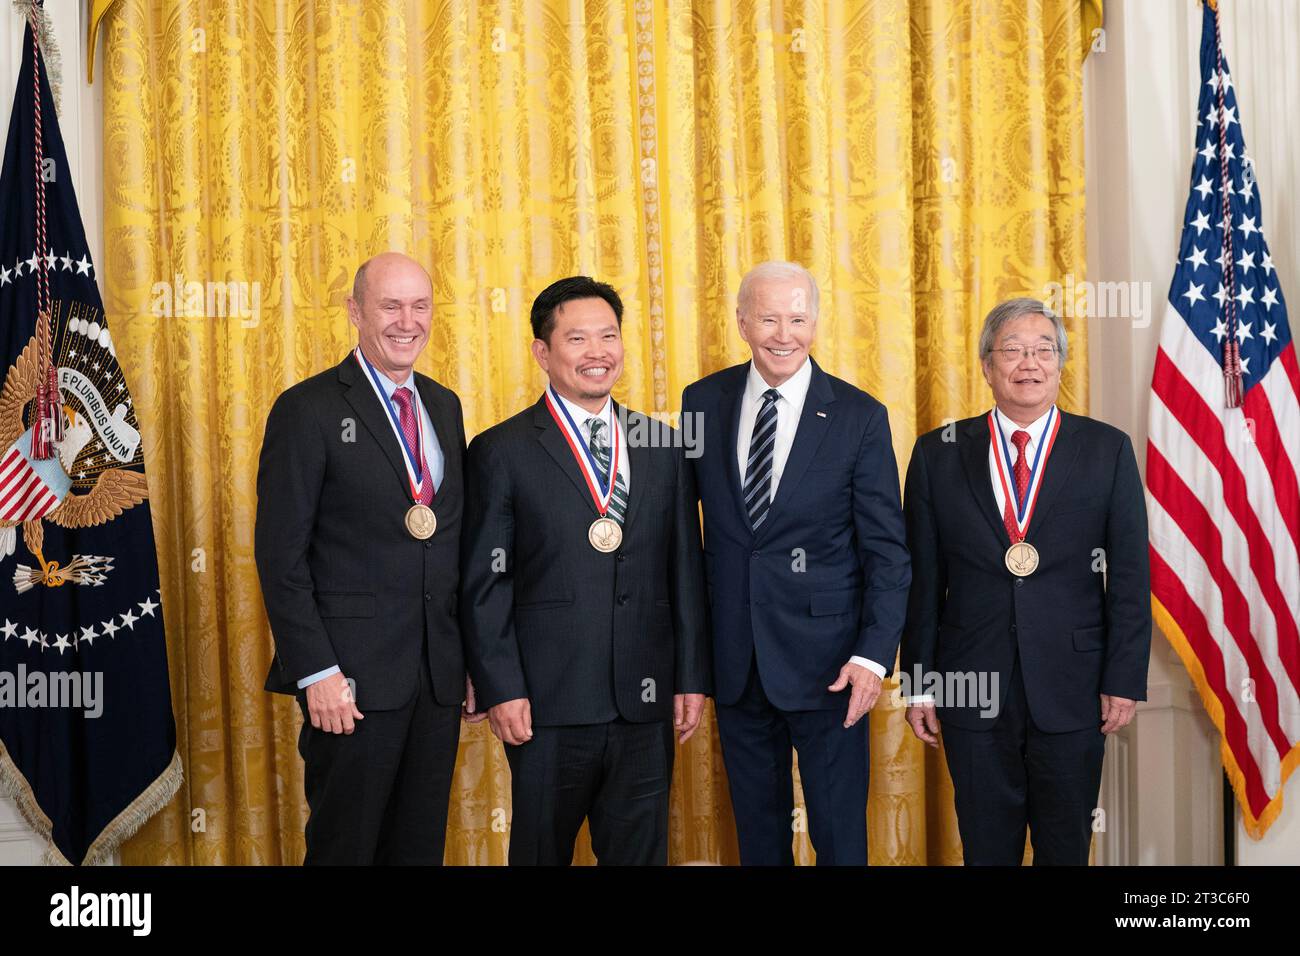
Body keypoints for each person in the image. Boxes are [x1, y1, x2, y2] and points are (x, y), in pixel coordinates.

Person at [460, 276, 710, 865]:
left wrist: (691, 676)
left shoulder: (662, 447)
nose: (598, 352)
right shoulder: (502, 450)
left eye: (609, 336)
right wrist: (502, 686)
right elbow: (484, 583)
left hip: (644, 702)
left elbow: (686, 574)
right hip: (545, 703)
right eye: (577, 338)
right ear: (543, 353)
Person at [900, 297, 1150, 865]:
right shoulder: (937, 454)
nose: (1028, 364)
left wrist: (1123, 676)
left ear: (1060, 364)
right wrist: (917, 681)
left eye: (1042, 350)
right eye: (1011, 351)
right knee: (987, 849)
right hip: (972, 686)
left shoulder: (1105, 449)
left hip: (1075, 686)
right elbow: (921, 580)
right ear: (987, 366)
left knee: (1066, 849)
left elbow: (1132, 574)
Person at [680, 261, 910, 865]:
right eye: (768, 318)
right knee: (759, 841)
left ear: (816, 321)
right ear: (741, 322)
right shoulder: (701, 402)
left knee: (839, 838)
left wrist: (872, 657)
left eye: (798, 318)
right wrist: (689, 661)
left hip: (833, 667)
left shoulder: (860, 416)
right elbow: (683, 537)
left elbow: (887, 550)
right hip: (736, 663)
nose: (784, 334)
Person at [255, 252, 482, 865]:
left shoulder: (444, 405)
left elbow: (450, 542)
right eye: (389, 305)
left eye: (420, 305)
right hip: (348, 684)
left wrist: (465, 658)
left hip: (435, 681)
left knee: (417, 851)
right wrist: (316, 672)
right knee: (345, 850)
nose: (407, 321)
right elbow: (281, 559)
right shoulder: (308, 410)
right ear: (355, 312)